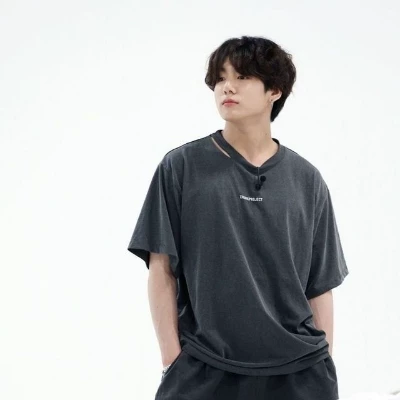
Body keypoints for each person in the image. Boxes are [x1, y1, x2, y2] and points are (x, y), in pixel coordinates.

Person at [127, 35, 349, 400]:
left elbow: (319, 284)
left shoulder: (306, 180)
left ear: (274, 90)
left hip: (299, 373)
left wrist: (324, 363)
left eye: (242, 76)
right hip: (204, 368)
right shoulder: (181, 167)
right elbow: (161, 267)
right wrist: (172, 360)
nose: (227, 87)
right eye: (220, 78)